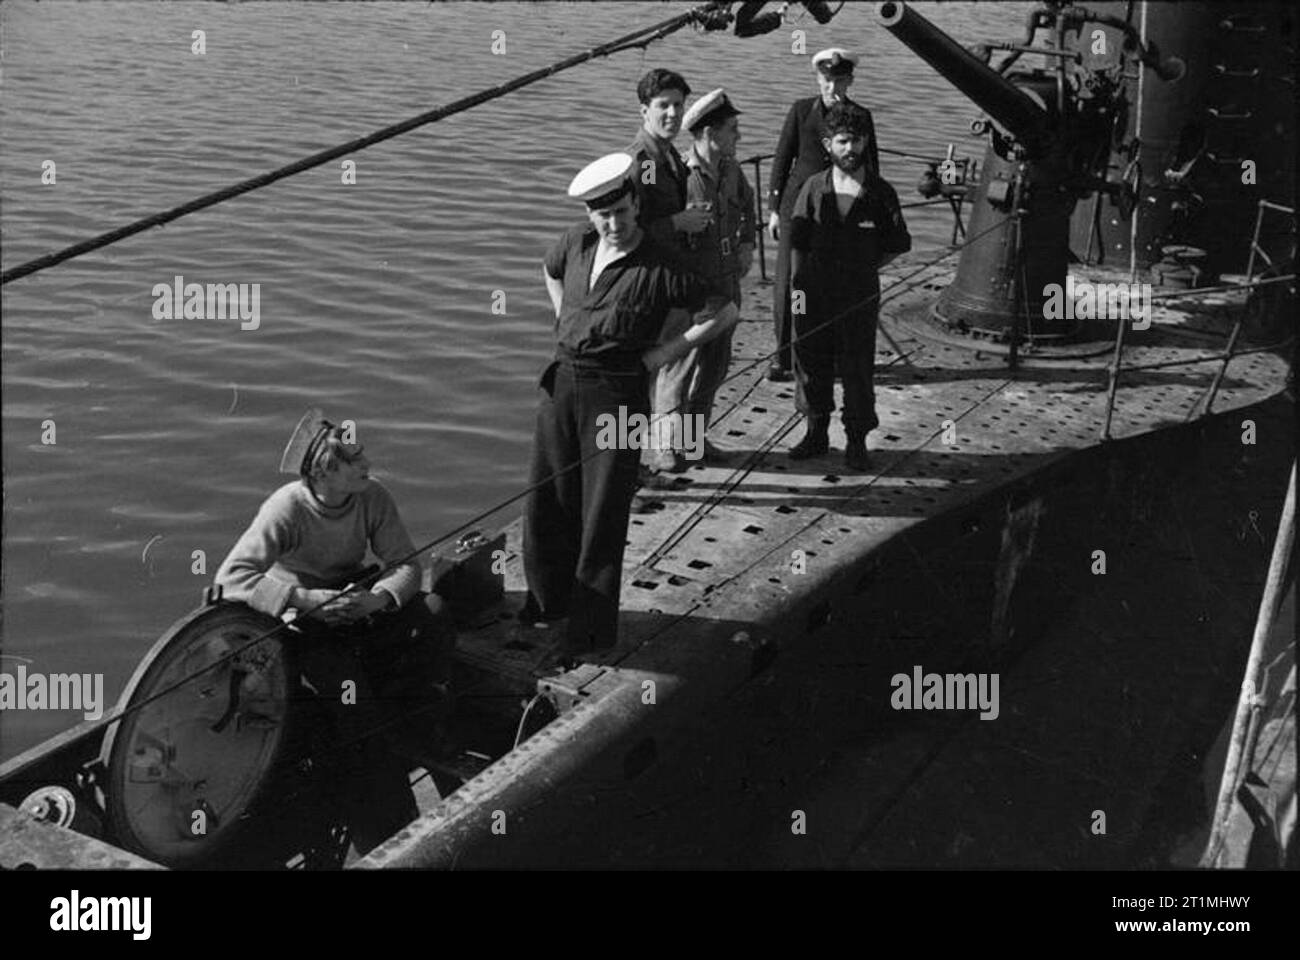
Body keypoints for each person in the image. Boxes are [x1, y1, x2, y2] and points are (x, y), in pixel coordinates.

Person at [521, 153, 739, 654]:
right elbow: (549, 269)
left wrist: (662, 355)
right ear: (591, 216)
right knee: (547, 501)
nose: (613, 223)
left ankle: (589, 632)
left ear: (635, 205)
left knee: (602, 513)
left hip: (617, 393)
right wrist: (561, 313)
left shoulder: (663, 267)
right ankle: (546, 605)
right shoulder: (577, 243)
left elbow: (721, 311)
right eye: (603, 214)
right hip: (561, 386)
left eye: (621, 211)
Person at [214, 409, 456, 856]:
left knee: (436, 615)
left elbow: (405, 563)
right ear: (326, 471)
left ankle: (420, 723)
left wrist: (377, 599)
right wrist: (306, 602)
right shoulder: (286, 507)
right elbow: (231, 579)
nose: (367, 465)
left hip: (359, 600)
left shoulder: (372, 496)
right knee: (349, 695)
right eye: (356, 460)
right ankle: (387, 824)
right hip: (306, 619)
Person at [787, 103, 910, 471]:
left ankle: (856, 440)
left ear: (866, 141)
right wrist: (798, 293)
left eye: (856, 141)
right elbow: (798, 241)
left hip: (858, 295)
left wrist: (862, 269)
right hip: (813, 292)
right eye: (841, 141)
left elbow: (896, 244)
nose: (849, 149)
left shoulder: (881, 193)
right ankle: (816, 432)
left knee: (857, 368)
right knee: (811, 362)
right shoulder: (812, 188)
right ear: (828, 144)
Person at [649, 88, 756, 469]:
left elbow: (748, 203)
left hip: (727, 285)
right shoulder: (680, 176)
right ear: (709, 133)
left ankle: (693, 441)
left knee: (714, 367)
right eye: (732, 129)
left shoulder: (731, 170)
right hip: (691, 292)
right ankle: (663, 447)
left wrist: (748, 244)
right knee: (678, 368)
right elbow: (657, 232)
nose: (738, 137)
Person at [767, 48, 879, 382]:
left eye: (840, 81)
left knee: (835, 283)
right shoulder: (802, 111)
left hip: (841, 210)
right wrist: (774, 209)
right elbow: (782, 158)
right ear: (819, 79)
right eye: (828, 80)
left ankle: (827, 354)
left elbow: (870, 165)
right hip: (797, 209)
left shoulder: (861, 117)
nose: (833, 88)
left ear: (850, 81)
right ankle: (784, 357)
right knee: (790, 283)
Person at [624, 67, 712, 474]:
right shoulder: (640, 162)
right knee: (641, 379)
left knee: (680, 366)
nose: (673, 115)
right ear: (645, 110)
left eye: (679, 106)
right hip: (646, 286)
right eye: (664, 106)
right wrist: (678, 223)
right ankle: (633, 468)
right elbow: (627, 232)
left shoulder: (670, 156)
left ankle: (676, 446)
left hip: (672, 282)